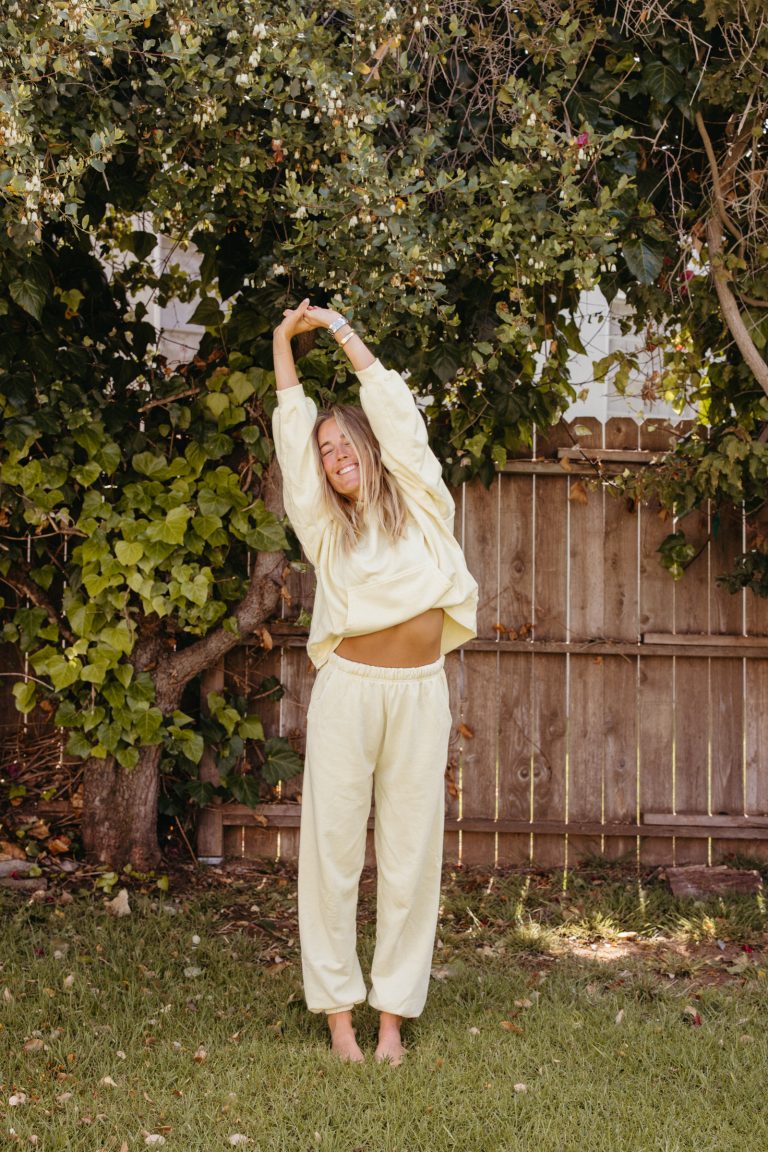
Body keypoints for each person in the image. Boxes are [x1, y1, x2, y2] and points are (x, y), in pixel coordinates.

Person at [271, 298, 478, 1064]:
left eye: (341, 443)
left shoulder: (424, 502)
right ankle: (339, 1021)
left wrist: (338, 331)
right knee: (331, 853)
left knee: (411, 853)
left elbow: (397, 411)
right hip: (350, 694)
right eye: (326, 452)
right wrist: (280, 346)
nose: (332, 457)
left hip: (422, 692)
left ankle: (393, 1020)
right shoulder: (327, 531)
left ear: (365, 441)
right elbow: (293, 445)